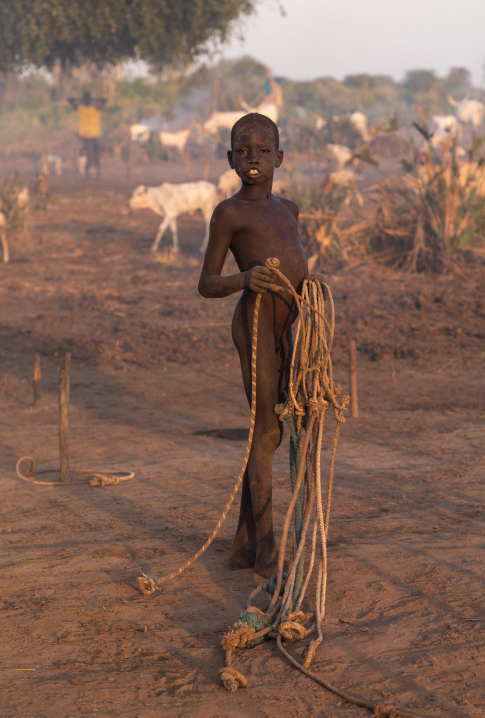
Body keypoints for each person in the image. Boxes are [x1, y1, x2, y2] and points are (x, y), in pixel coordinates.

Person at [198, 113, 308, 578]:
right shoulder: (229, 213)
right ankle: (266, 547)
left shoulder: (290, 209)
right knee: (266, 431)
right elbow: (206, 283)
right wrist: (245, 279)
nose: (253, 159)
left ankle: (244, 545)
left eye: (263, 151)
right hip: (257, 319)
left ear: (279, 158)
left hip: (295, 321)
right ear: (230, 159)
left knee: (279, 427)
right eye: (243, 151)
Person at [67, 91, 107, 178]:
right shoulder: (96, 108)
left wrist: (79, 100)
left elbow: (71, 102)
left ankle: (90, 173)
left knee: (87, 153)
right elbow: (104, 101)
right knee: (95, 153)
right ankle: (96, 172)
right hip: (94, 134)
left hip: (86, 134)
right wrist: (94, 100)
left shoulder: (81, 108)